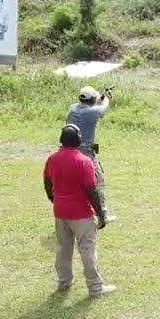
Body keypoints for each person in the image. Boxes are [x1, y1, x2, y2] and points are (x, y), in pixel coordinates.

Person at [43, 124, 116, 298]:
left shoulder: (52, 159)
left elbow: (47, 183)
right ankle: (95, 288)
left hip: (60, 212)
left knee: (63, 248)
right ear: (78, 140)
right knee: (87, 250)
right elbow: (91, 190)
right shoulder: (84, 161)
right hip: (81, 214)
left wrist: (55, 200)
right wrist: (101, 214)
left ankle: (64, 281)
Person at [66, 86, 115, 222]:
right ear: (93, 98)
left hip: (69, 150)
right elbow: (103, 107)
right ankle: (102, 214)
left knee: (74, 183)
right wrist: (106, 98)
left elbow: (91, 105)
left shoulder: (72, 108)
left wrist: (99, 97)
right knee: (97, 181)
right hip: (86, 152)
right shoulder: (94, 111)